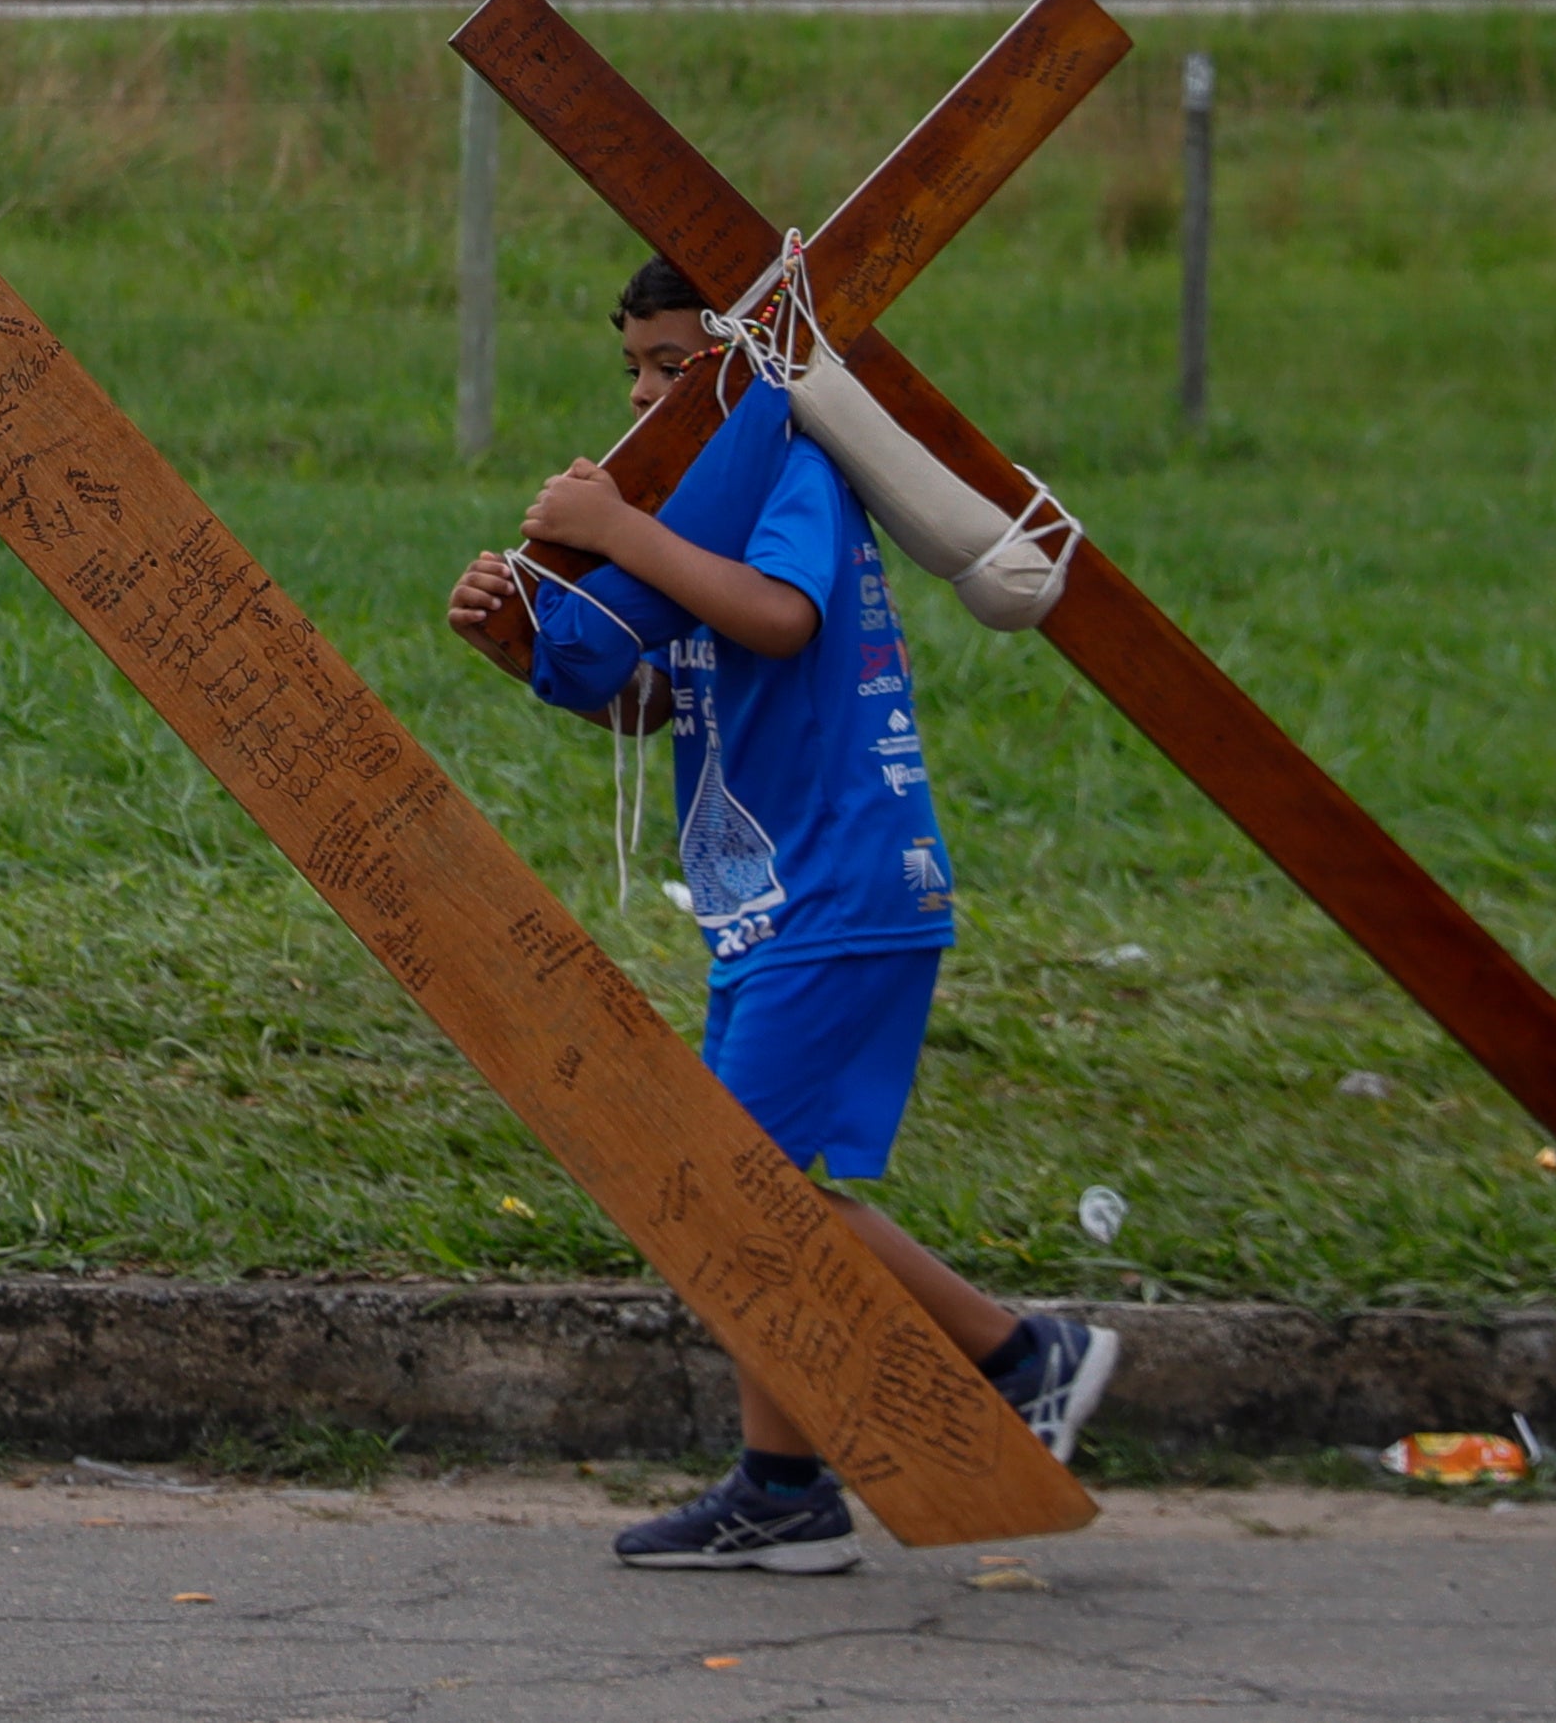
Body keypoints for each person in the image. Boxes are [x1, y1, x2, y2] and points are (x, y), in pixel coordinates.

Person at [443, 255, 1119, 1576]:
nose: (643, 395)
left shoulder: (792, 467)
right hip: (765, 905)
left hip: (839, 887)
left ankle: (1018, 1353)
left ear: (742, 366)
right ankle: (786, 1489)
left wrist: (618, 530)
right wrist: (521, 643)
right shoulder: (701, 498)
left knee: (727, 1190)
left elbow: (777, 618)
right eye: (631, 368)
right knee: (749, 1196)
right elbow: (659, 697)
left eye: (672, 365)